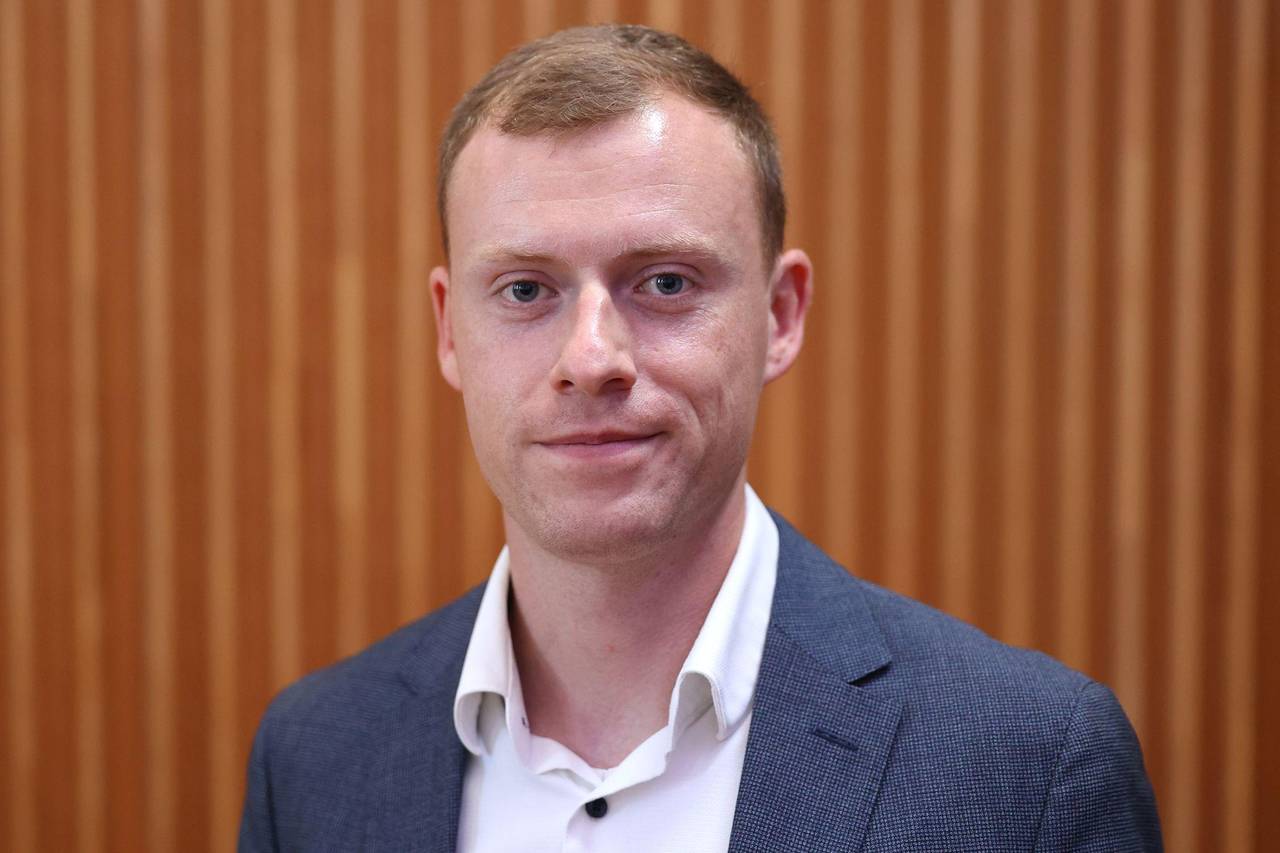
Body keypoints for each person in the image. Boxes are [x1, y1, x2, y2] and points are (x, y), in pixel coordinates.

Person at [239, 24, 1161, 852]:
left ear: (781, 314)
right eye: (525, 290)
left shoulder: (1029, 769)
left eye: (666, 282)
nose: (590, 358)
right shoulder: (315, 758)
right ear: (450, 330)